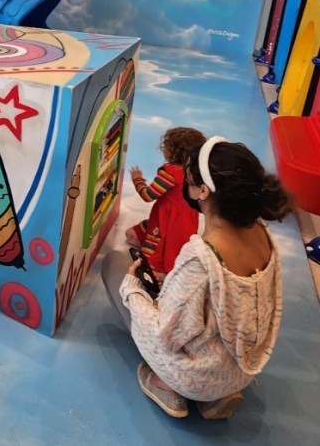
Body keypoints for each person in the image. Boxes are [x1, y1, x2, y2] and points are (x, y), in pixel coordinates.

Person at [102, 136, 294, 420]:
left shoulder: (201, 256)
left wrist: (133, 287)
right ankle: (220, 394)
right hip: (242, 368)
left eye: (189, 180)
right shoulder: (262, 234)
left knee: (114, 265)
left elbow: (165, 334)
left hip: (196, 376)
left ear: (203, 191)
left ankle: (168, 385)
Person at [125, 127, 206, 277]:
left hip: (167, 221)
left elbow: (148, 195)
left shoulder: (171, 173)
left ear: (171, 151)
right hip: (186, 221)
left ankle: (156, 274)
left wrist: (137, 180)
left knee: (154, 255)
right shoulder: (196, 172)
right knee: (174, 250)